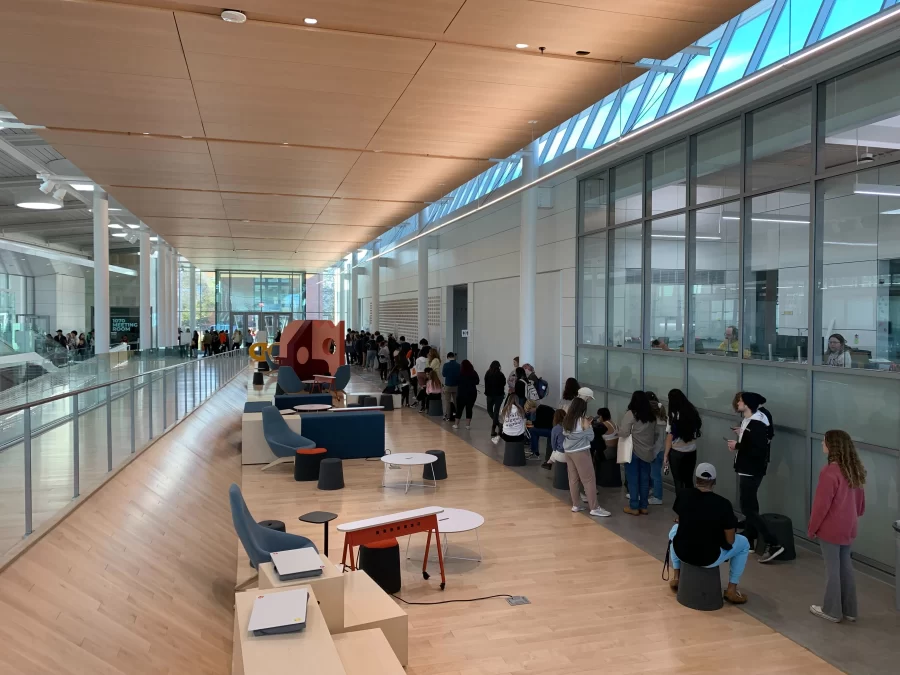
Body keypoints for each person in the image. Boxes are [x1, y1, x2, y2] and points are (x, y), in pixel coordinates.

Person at [667, 463, 750, 605]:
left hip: (682, 552)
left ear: (696, 479)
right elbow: (730, 541)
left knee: (674, 530)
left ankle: (677, 576)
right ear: (714, 482)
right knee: (744, 544)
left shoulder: (684, 495)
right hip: (709, 557)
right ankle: (731, 589)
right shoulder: (723, 504)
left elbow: (681, 519)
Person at [808, 430, 866, 623]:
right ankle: (850, 610)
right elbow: (860, 505)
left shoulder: (829, 472)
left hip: (831, 528)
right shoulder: (854, 469)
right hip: (849, 526)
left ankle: (832, 610)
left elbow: (820, 506)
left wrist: (812, 528)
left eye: (824, 441)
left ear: (832, 446)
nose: (821, 444)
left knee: (832, 569)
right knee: (846, 567)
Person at [727, 391, 783, 563]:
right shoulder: (751, 420)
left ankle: (773, 542)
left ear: (748, 403)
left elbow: (757, 450)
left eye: (740, 401)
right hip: (748, 469)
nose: (737, 404)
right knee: (751, 506)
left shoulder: (757, 422)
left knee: (748, 508)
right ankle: (749, 540)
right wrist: (743, 434)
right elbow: (754, 442)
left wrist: (738, 445)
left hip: (751, 469)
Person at [562, 395, 610, 518]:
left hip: (568, 451)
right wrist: (588, 425)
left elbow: (565, 433)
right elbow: (591, 437)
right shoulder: (582, 421)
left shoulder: (567, 419)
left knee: (573, 479)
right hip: (581, 452)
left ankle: (576, 505)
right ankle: (594, 507)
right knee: (588, 480)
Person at [619, 391, 659, 515]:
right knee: (645, 480)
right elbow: (656, 434)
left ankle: (634, 507)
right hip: (647, 453)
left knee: (633, 480)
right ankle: (644, 506)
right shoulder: (651, 417)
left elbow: (624, 432)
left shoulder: (631, 414)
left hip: (633, 452)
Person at [664, 389, 702, 493]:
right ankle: (690, 504)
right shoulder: (692, 412)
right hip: (691, 451)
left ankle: (681, 505)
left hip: (677, 452)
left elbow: (669, 436)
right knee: (689, 480)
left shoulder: (673, 415)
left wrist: (666, 455)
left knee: (678, 481)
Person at [646, 392, 667, 506]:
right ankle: (655, 492)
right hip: (662, 451)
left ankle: (658, 497)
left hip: (656, 451)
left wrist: (652, 453)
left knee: (655, 475)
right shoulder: (664, 421)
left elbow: (655, 441)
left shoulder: (655, 424)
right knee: (655, 474)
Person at [483, 360, 506, 440]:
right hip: (499, 395)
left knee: (489, 410)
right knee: (496, 411)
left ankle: (496, 427)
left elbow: (485, 383)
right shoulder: (501, 374)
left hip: (489, 395)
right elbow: (504, 383)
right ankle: (497, 426)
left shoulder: (488, 373)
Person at [454, 359, 479, 430]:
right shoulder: (473, 372)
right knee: (469, 408)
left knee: (459, 409)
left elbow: (456, 381)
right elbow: (477, 382)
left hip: (461, 393)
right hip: (472, 393)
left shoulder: (460, 373)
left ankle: (456, 424)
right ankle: (467, 425)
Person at [441, 352, 460, 422]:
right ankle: (458, 416)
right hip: (456, 386)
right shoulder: (459, 365)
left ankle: (448, 416)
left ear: (448, 357)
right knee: (456, 402)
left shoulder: (446, 365)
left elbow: (444, 374)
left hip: (448, 385)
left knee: (447, 401)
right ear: (454, 357)